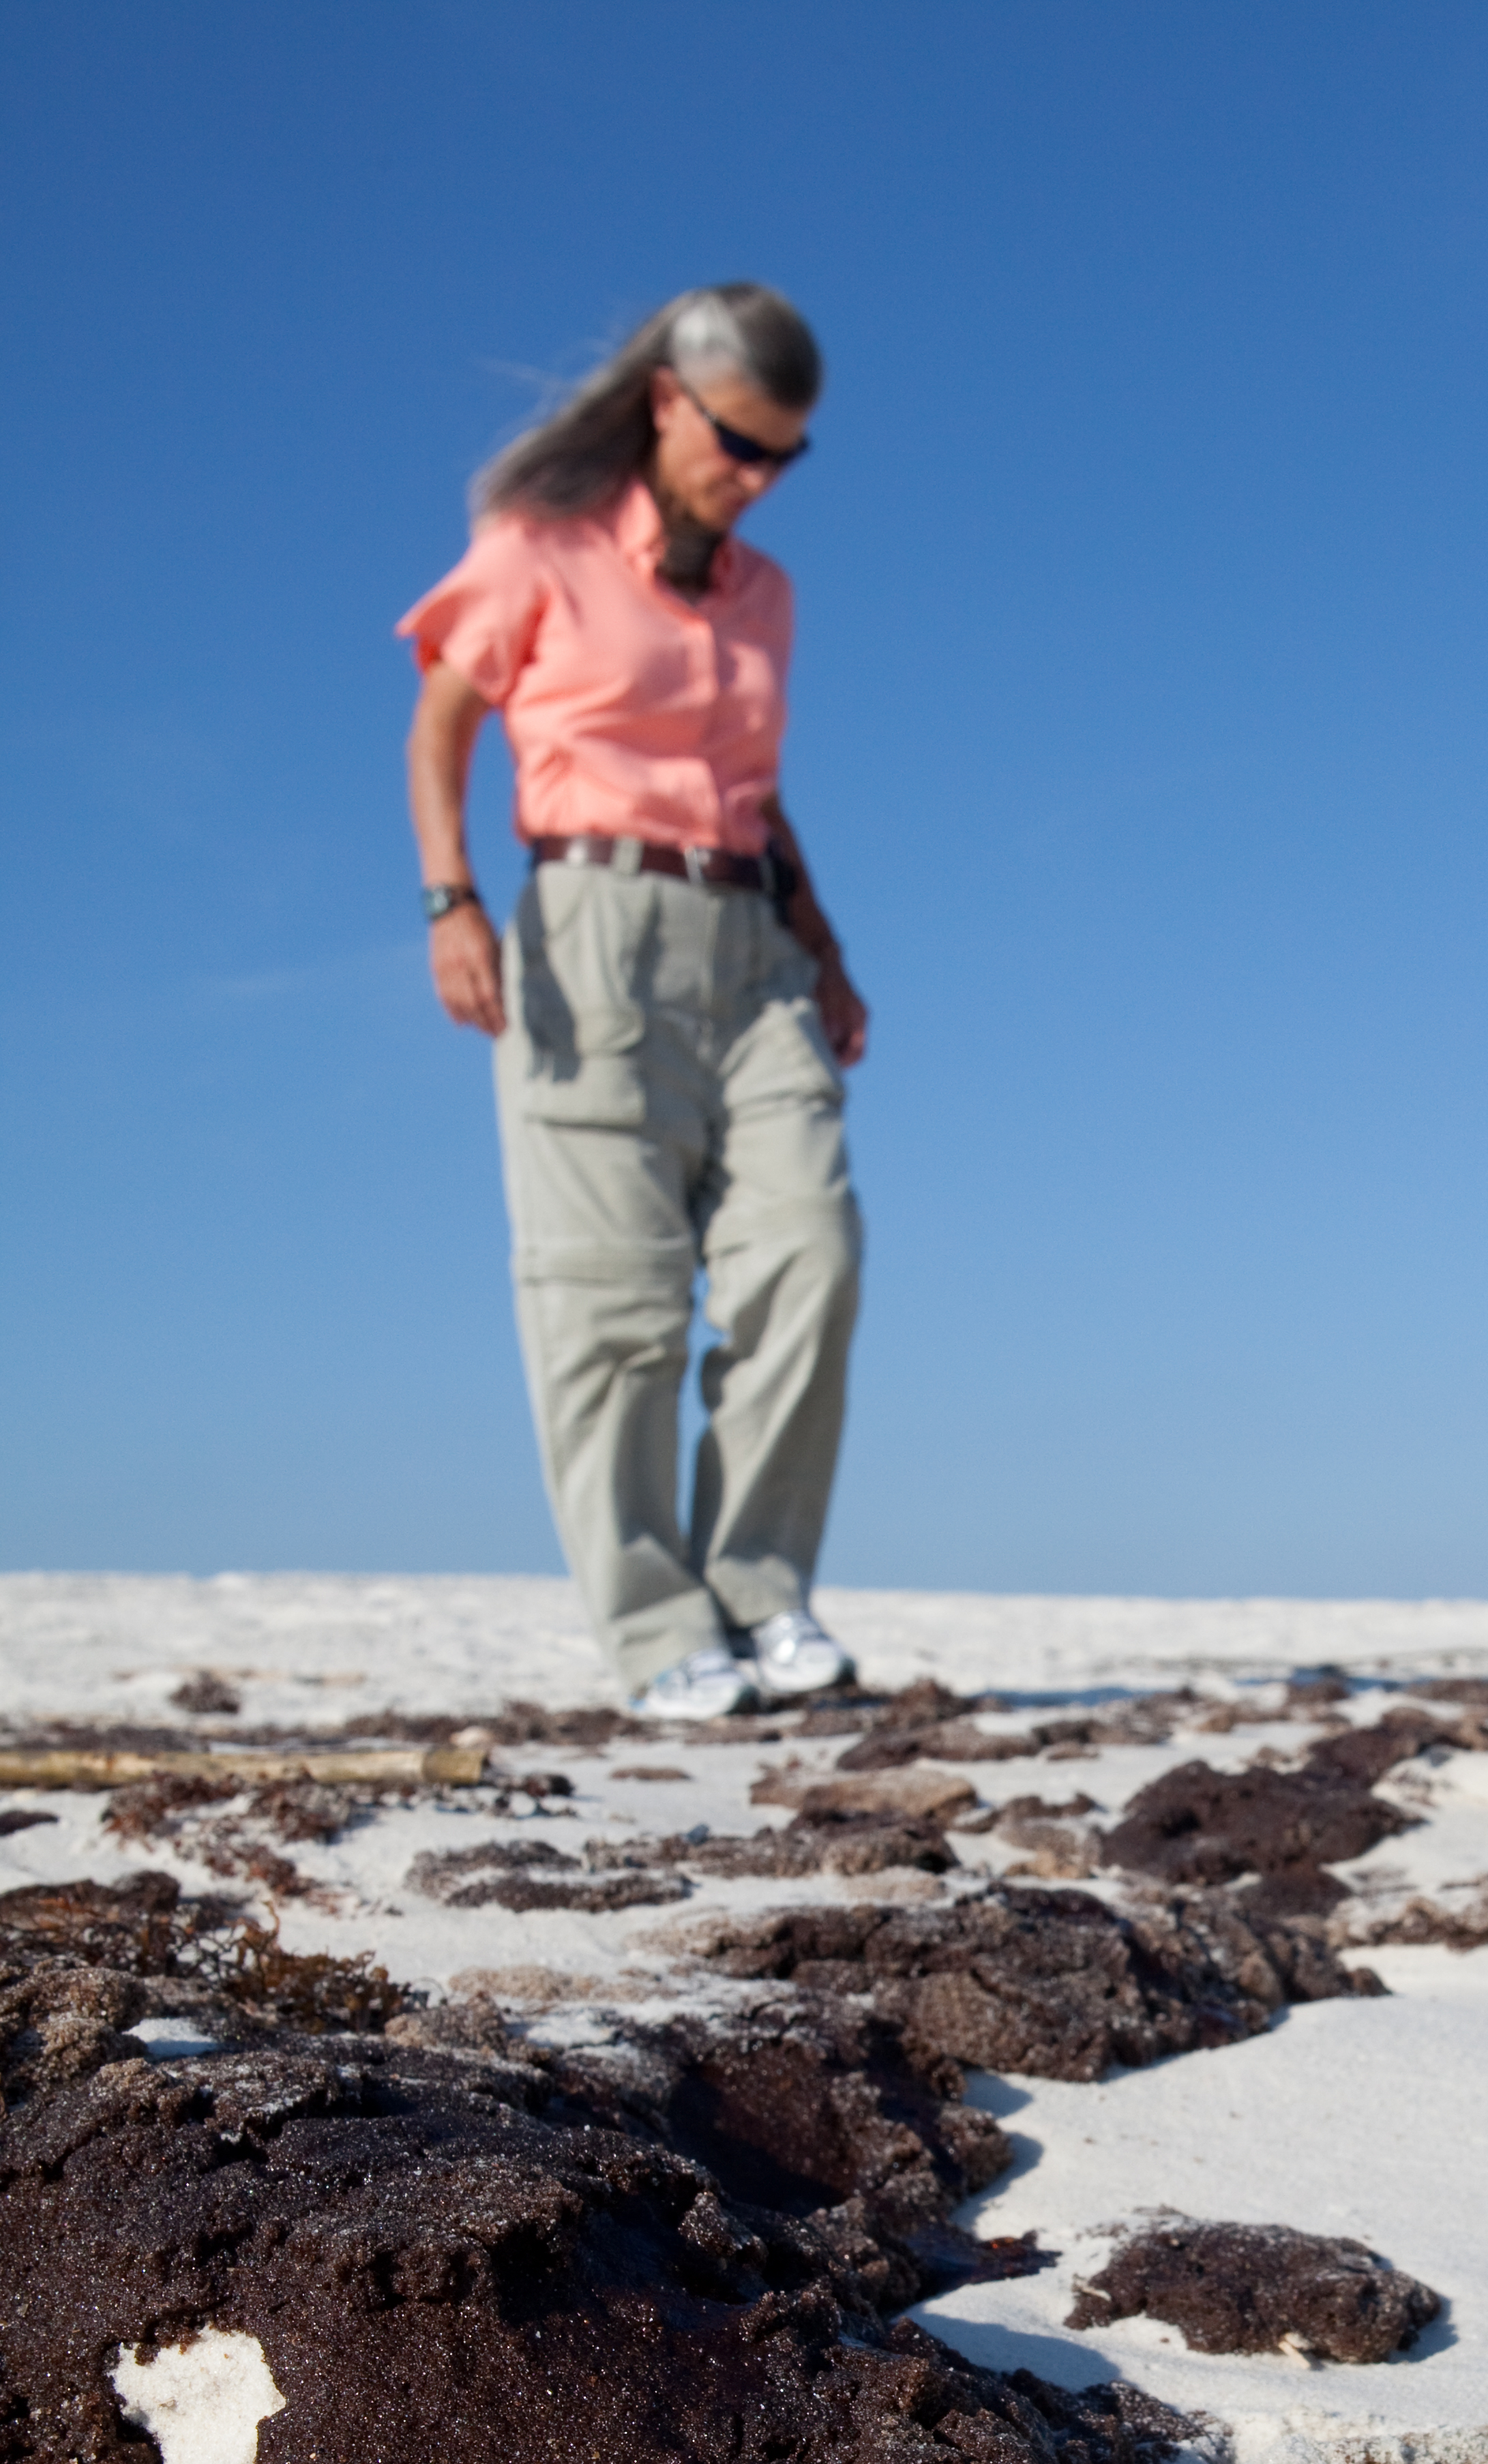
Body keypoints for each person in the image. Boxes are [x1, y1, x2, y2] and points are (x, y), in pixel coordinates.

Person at [400, 283, 868, 1719]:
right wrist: (450, 897)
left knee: (812, 1247)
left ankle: (758, 1589)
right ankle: (657, 1622)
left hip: (751, 939)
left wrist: (828, 947)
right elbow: (443, 720)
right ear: (670, 399)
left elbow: (757, 792)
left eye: (787, 455)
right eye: (741, 442)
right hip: (586, 930)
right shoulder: (536, 551)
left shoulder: (765, 596)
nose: (760, 477)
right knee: (616, 1306)